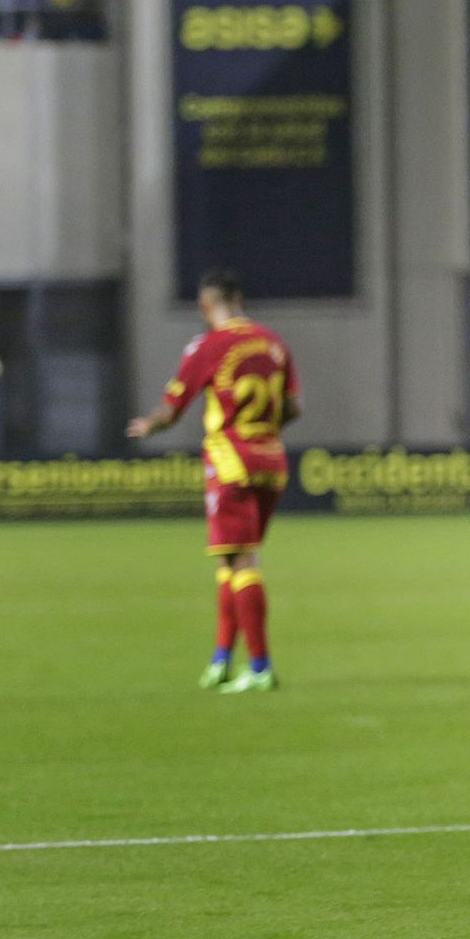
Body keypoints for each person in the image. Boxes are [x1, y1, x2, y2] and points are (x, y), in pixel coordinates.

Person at [127, 270, 301, 694]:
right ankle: (221, 660)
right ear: (238, 299)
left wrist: (148, 425)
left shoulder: (210, 345)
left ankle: (259, 666)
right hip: (272, 462)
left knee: (241, 563)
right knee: (232, 563)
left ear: (206, 306)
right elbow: (293, 408)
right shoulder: (274, 343)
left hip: (231, 465)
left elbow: (173, 409)